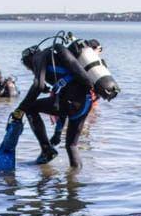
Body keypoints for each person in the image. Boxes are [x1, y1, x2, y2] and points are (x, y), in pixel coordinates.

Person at [12, 37, 119, 168]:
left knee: (31, 108)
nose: (30, 69)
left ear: (28, 59)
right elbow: (62, 101)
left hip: (72, 102)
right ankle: (74, 182)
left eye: (27, 66)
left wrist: (20, 109)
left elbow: (38, 86)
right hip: (86, 102)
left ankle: (46, 150)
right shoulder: (56, 60)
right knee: (71, 145)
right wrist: (57, 133)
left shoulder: (39, 57)